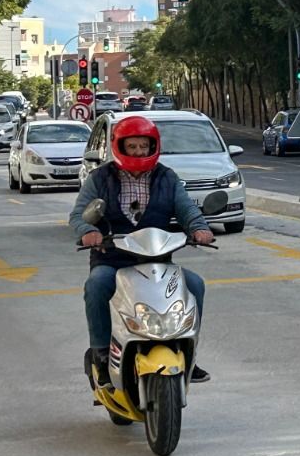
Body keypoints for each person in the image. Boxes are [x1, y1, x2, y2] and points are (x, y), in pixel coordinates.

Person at [68, 115, 215, 386]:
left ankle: (188, 352)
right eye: (132, 146)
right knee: (97, 284)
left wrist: (199, 228)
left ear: (152, 146)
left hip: (157, 261)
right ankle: (100, 352)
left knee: (195, 284)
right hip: (112, 259)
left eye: (143, 146)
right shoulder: (99, 178)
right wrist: (88, 231)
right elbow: (78, 214)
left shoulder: (167, 178)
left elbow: (187, 209)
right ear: (119, 146)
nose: (138, 152)